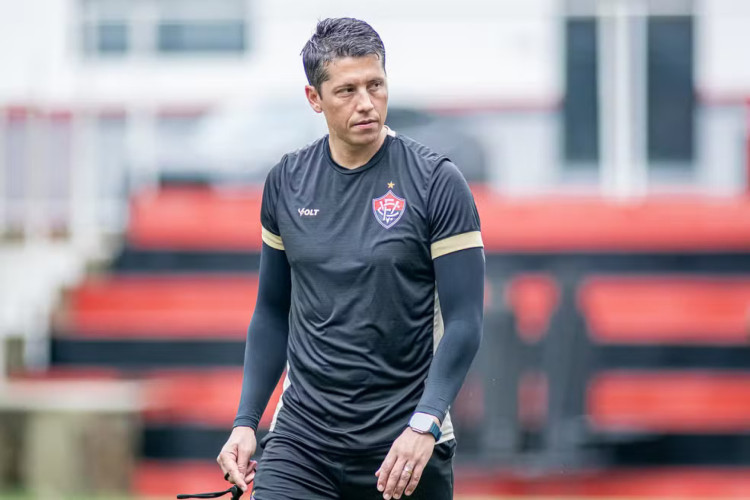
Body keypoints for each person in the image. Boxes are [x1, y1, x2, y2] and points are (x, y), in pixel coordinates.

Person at [217, 17, 485, 500]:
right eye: (347, 90)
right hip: (302, 442)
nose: (366, 102)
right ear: (314, 98)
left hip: (403, 445)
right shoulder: (286, 182)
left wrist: (425, 424)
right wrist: (246, 422)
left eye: (375, 85)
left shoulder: (437, 182)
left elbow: (465, 321)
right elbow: (273, 311)